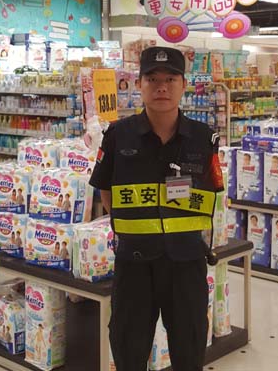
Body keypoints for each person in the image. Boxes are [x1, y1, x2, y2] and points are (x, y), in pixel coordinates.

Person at [90, 46, 224, 371]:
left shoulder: (203, 138)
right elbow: (105, 189)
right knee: (128, 348)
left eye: (170, 79)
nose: (161, 87)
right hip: (134, 264)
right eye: (152, 79)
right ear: (139, 84)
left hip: (187, 262)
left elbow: (211, 190)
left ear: (184, 85)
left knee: (189, 349)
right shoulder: (118, 136)